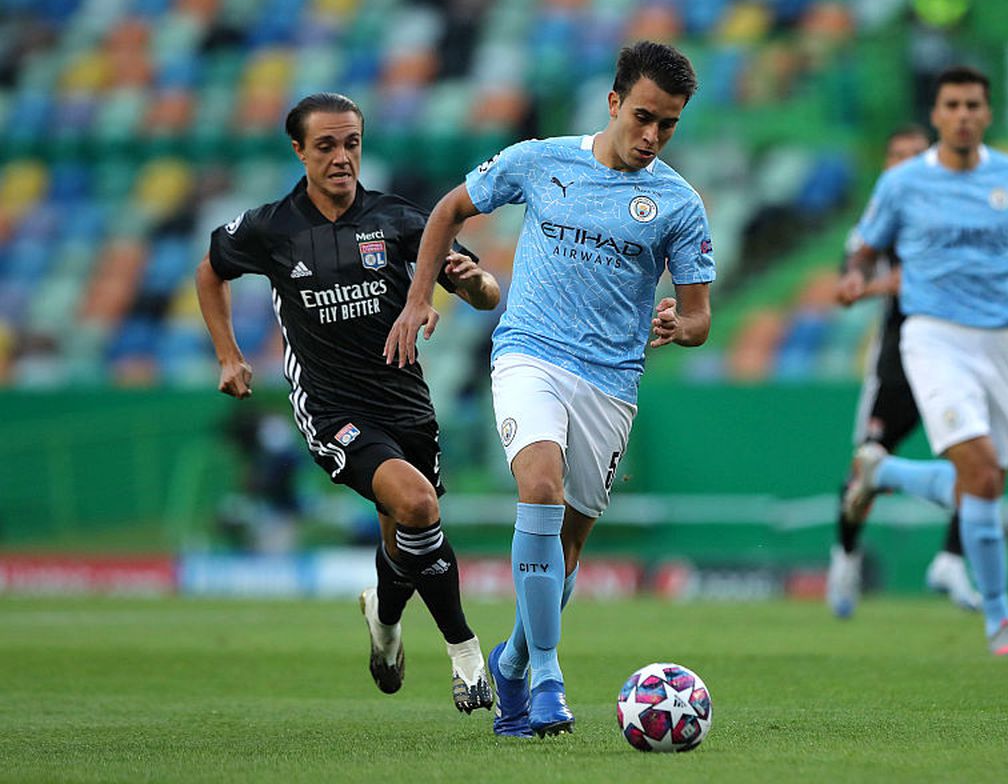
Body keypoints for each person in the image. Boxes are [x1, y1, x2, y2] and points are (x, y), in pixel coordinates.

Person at [388, 41, 715, 736]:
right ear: (614, 102)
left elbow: (699, 314)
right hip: (529, 355)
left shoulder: (679, 204)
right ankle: (546, 679)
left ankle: (509, 664)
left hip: (611, 383)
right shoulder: (540, 161)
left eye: (670, 125)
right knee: (538, 488)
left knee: (564, 557)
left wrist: (681, 326)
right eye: (645, 118)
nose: (653, 136)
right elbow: (447, 210)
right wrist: (419, 299)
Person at [194, 92, 501, 712]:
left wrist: (475, 282)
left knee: (404, 537)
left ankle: (384, 618)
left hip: (407, 402)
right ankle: (465, 651)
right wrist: (228, 354)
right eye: (327, 145)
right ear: (299, 150)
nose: (341, 157)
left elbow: (486, 294)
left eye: (352, 143)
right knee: (418, 506)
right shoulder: (271, 228)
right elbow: (210, 272)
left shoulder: (397, 219)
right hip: (333, 408)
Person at [837, 66, 1008, 657]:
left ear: (987, 114)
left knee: (989, 481)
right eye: (952, 105)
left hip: (999, 343)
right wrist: (854, 279)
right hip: (932, 338)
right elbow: (863, 247)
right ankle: (1001, 624)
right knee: (981, 468)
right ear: (937, 115)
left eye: (973, 104)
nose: (963, 114)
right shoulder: (904, 184)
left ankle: (881, 473)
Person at [827, 125, 982, 619]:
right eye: (899, 155)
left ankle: (953, 560)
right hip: (897, 361)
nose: (908, 164)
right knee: (865, 461)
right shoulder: (881, 219)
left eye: (917, 155)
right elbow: (850, 273)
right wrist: (869, 281)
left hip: (952, 355)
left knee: (975, 458)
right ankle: (845, 555)